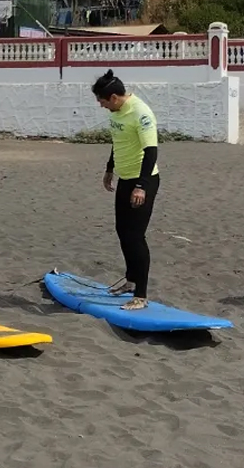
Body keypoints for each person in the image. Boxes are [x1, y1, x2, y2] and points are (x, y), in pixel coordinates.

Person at [94, 70, 160, 311]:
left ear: (113, 97)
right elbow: (117, 141)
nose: (101, 106)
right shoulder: (117, 112)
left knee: (135, 236)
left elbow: (151, 150)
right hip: (124, 178)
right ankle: (131, 280)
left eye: (102, 101)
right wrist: (110, 168)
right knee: (122, 231)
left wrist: (141, 186)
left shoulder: (141, 113)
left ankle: (141, 295)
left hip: (143, 181)